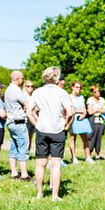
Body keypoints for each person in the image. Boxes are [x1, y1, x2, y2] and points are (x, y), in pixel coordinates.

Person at [28, 66, 74, 201]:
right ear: (57, 78)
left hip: (42, 129)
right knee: (56, 164)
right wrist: (67, 124)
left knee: (40, 163)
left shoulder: (37, 92)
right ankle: (54, 195)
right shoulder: (62, 93)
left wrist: (36, 124)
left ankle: (39, 193)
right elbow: (71, 113)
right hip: (57, 130)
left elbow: (29, 111)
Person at [4, 70, 31, 180]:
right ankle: (24, 175)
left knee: (14, 146)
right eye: (22, 78)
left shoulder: (8, 90)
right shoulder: (16, 90)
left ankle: (14, 172)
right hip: (18, 122)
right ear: (17, 78)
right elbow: (26, 103)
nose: (23, 80)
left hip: (10, 121)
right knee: (23, 146)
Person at [68, 81, 93, 164]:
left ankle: (88, 157)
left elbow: (84, 109)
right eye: (77, 87)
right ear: (72, 87)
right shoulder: (69, 97)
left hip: (82, 118)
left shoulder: (81, 97)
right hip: (73, 118)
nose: (78, 89)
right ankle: (73, 157)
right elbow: (71, 109)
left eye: (80, 87)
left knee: (85, 138)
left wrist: (83, 114)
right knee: (73, 138)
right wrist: (78, 111)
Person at [86, 85, 105, 160]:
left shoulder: (102, 99)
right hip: (93, 119)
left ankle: (98, 154)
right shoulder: (90, 100)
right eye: (95, 91)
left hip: (100, 120)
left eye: (98, 91)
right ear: (92, 93)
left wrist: (96, 110)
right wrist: (99, 109)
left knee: (99, 137)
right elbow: (90, 111)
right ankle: (89, 153)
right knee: (92, 137)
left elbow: (104, 110)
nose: (97, 93)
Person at [23, 79, 36, 151]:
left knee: (30, 136)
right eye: (28, 86)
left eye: (32, 86)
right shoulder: (23, 95)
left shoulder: (33, 95)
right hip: (25, 119)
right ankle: (24, 152)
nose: (30, 87)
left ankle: (28, 151)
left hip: (32, 119)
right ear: (24, 87)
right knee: (25, 137)